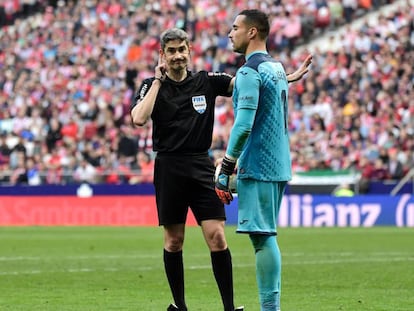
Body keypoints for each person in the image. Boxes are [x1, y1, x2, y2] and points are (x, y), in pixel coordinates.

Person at [130, 27, 311, 311]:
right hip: (168, 166)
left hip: (201, 165)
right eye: (171, 51)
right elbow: (138, 118)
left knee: (217, 236)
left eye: (182, 50)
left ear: (189, 51)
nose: (178, 56)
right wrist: (156, 81)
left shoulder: (207, 81)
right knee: (174, 240)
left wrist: (288, 78)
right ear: (162, 55)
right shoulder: (150, 85)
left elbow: (249, 84)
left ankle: (229, 308)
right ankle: (179, 306)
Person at [215, 10, 311, 311]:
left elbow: (243, 125)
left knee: (263, 237)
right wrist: (291, 78)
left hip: (258, 165)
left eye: (235, 28)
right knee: (265, 234)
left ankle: (271, 309)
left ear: (252, 32)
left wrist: (227, 165)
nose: (230, 34)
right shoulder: (276, 68)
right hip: (279, 163)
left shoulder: (248, 72)